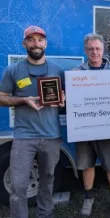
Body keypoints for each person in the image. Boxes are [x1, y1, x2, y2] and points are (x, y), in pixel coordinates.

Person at [0, 26, 64, 218]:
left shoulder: (57, 70)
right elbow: (1, 97)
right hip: (23, 137)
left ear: (45, 43)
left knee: (48, 178)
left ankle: (45, 213)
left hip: (51, 136)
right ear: (24, 43)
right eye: (31, 39)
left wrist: (63, 98)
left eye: (40, 40)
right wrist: (23, 100)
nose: (36, 43)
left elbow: (66, 97)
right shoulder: (13, 70)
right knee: (18, 184)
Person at [74, 33, 110, 218]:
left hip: (107, 129)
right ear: (85, 51)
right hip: (85, 129)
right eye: (91, 49)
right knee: (87, 165)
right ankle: (88, 198)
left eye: (98, 48)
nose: (94, 52)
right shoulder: (76, 74)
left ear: (103, 50)